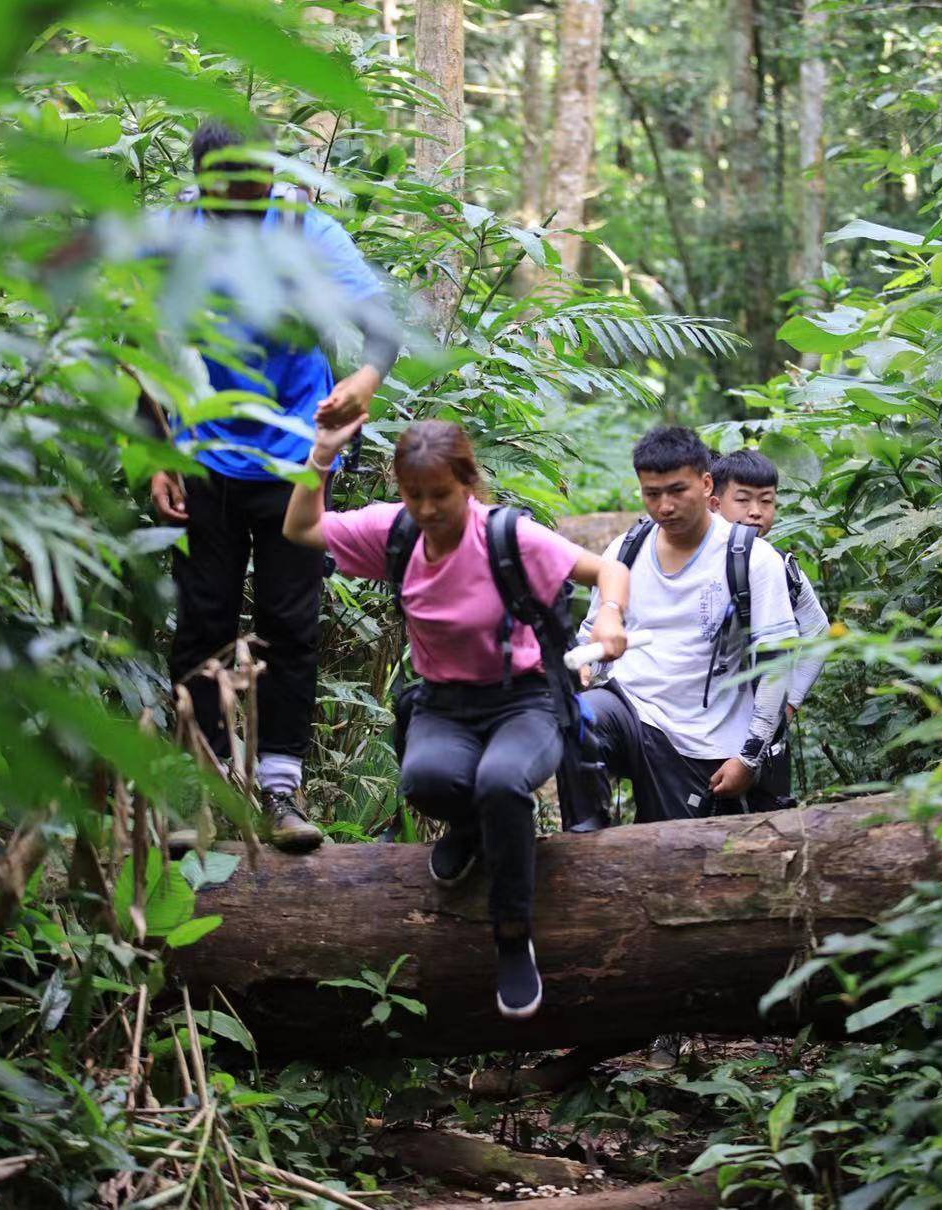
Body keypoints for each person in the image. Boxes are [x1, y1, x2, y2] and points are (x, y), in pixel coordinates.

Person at [283, 416, 630, 1021]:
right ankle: (473, 830)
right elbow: (301, 527)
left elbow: (606, 570)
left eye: (439, 495)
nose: (427, 509)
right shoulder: (393, 532)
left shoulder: (508, 537)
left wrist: (611, 617)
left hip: (524, 699)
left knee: (501, 782)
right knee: (426, 781)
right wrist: (320, 456)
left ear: (467, 484)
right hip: (445, 703)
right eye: (414, 495)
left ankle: (512, 934)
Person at [146, 120, 400, 852]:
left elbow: (378, 325)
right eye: (225, 189)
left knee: (291, 622)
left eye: (253, 184)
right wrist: (156, 453)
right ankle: (199, 786)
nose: (241, 201)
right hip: (202, 454)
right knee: (202, 621)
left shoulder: (304, 229)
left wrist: (365, 378)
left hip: (295, 461)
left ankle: (280, 790)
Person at [577, 426, 798, 823]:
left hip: (702, 743)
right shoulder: (625, 551)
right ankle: (583, 841)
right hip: (631, 711)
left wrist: (750, 756)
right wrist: (585, 663)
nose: (664, 506)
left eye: (677, 491)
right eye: (652, 493)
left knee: (676, 859)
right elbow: (591, 628)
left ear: (706, 483)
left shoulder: (753, 559)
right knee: (577, 720)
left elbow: (777, 663)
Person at [710, 449, 829, 801]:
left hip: (763, 739)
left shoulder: (781, 565)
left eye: (766, 501)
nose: (756, 511)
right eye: (743, 500)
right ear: (714, 503)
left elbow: (819, 632)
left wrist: (789, 704)